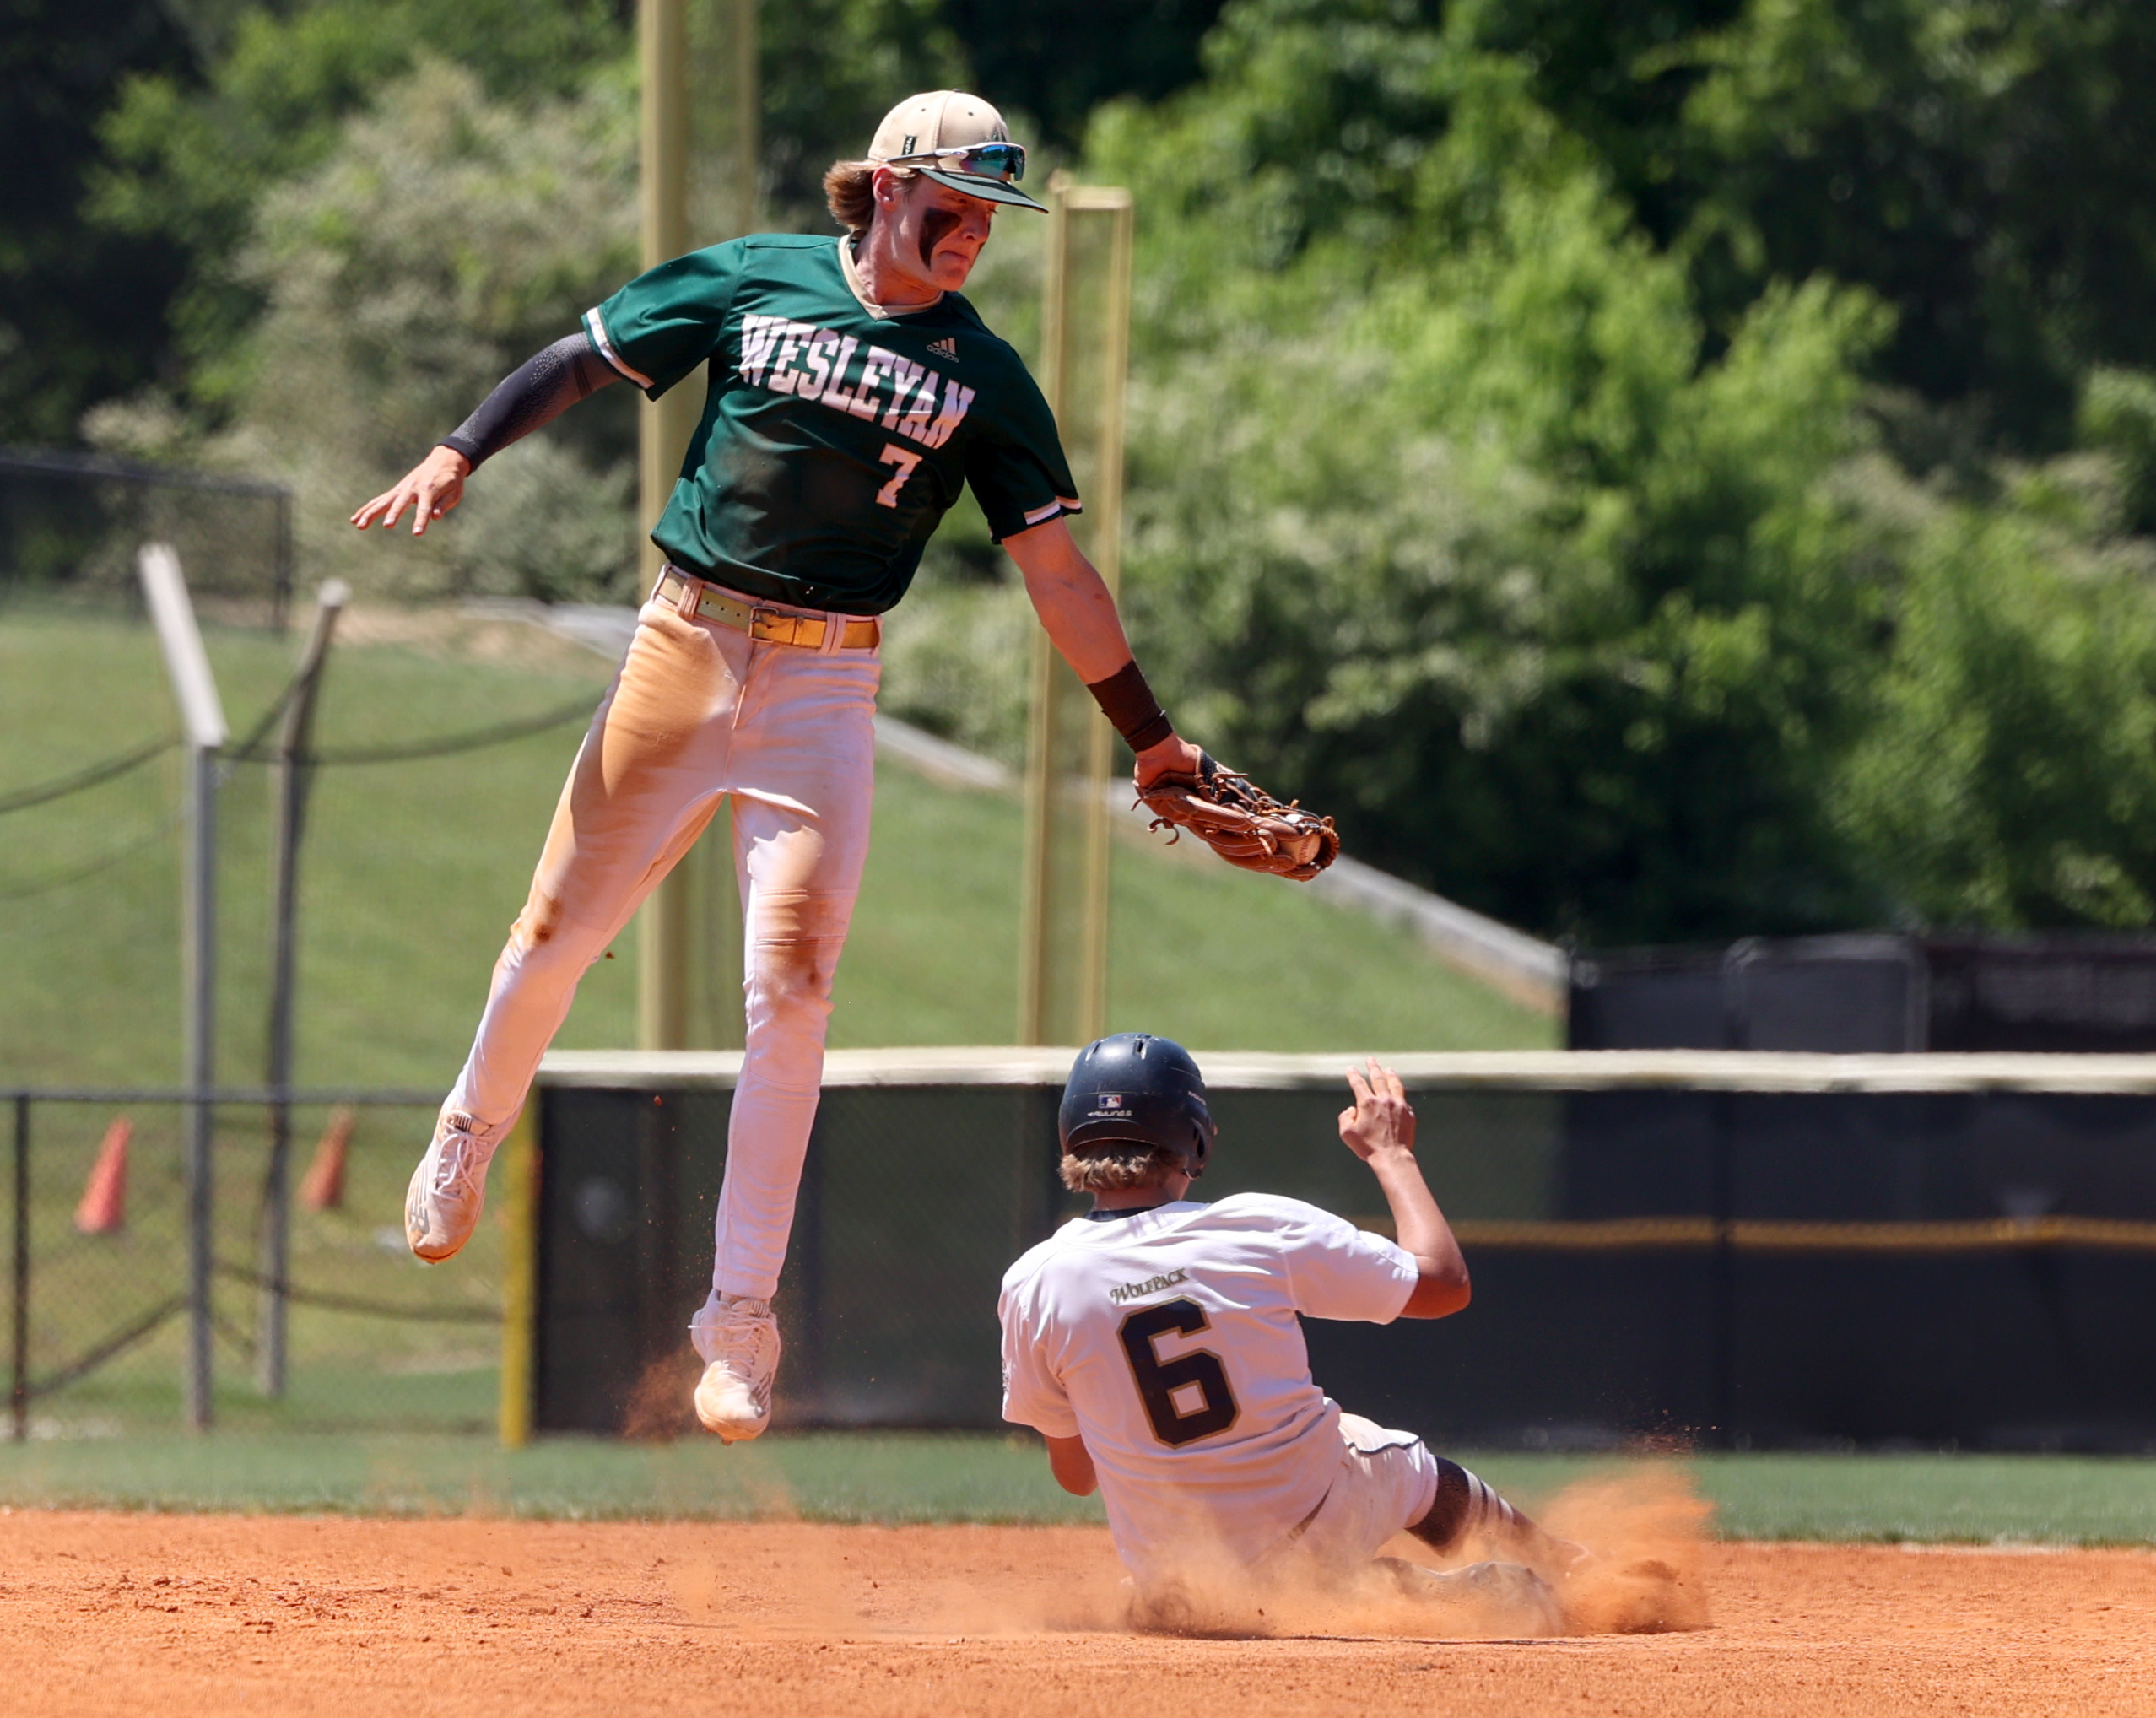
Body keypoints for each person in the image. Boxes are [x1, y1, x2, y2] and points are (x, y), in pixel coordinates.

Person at [349, 91, 1204, 1445]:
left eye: (991, 217)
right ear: (883, 186)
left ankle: (738, 1319)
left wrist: (1148, 737)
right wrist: (462, 447)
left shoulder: (983, 376)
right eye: (955, 204)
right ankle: (467, 1130)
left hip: (824, 680)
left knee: (791, 993)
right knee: (554, 934)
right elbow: (582, 362)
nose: (974, 233)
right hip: (682, 643)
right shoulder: (756, 278)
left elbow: (1056, 573)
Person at [997, 1034, 1581, 1634]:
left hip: (1187, 1584)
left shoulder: (1032, 1282)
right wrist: (1391, 1155)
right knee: (1397, 1459)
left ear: (1072, 1137)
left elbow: (1076, 1476)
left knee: (1227, 1529)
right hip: (1318, 1520)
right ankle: (1568, 1571)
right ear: (1192, 1138)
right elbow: (1443, 1285)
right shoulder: (1255, 1228)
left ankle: (1370, 1593)